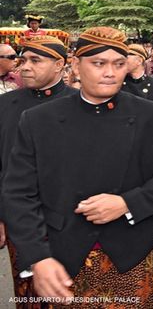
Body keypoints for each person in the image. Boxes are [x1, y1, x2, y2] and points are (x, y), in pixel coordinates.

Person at [1, 26, 153, 307]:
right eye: (99, 63)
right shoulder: (38, 120)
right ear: (75, 65)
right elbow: (18, 192)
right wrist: (38, 256)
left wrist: (127, 203)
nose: (110, 72)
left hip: (128, 255)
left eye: (119, 63)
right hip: (60, 255)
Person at [0, 36, 78, 307]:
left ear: (59, 65)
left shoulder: (81, 105)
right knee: (27, 295)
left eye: (35, 60)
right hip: (20, 220)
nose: (24, 67)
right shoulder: (5, 105)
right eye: (22, 61)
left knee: (69, 294)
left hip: (72, 221)